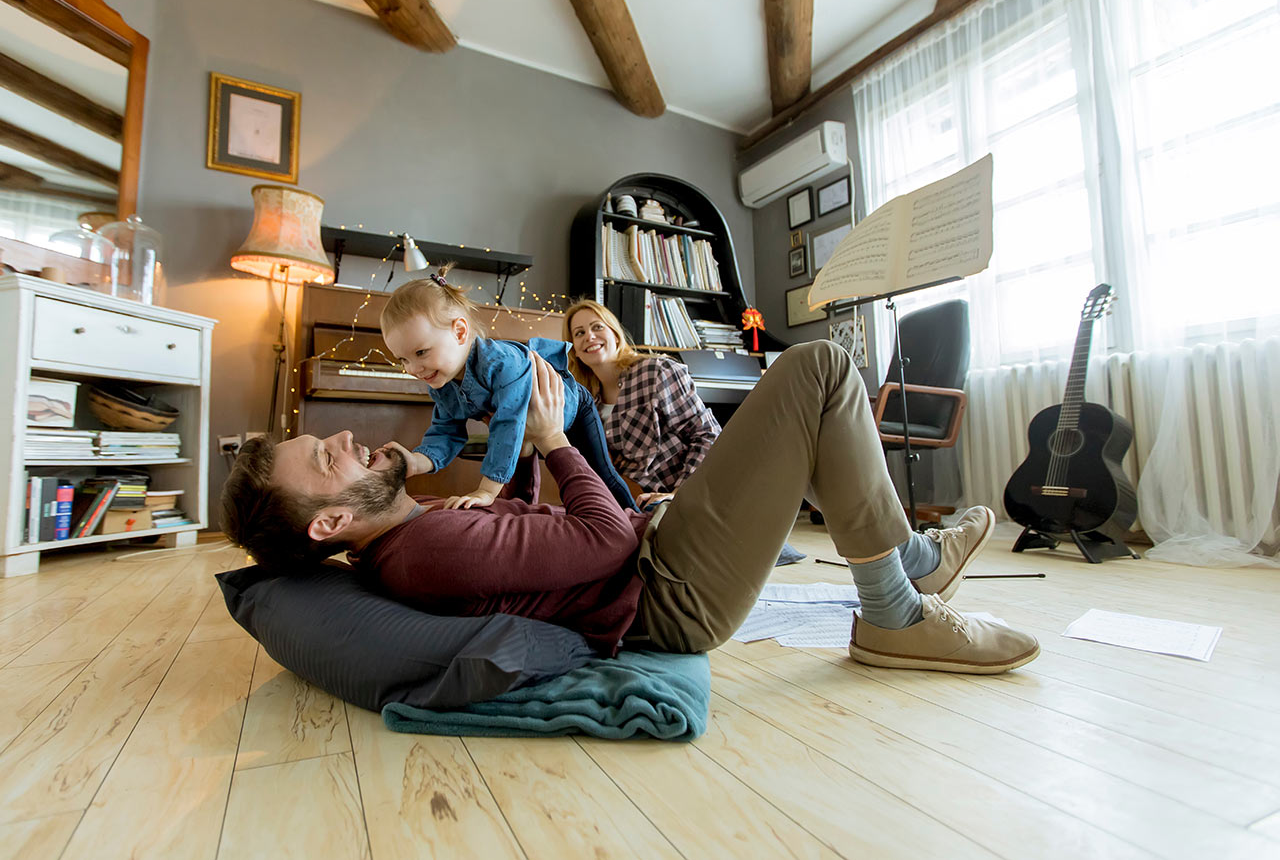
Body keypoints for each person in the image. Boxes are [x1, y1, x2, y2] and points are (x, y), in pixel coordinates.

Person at [222, 340, 1039, 674]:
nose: (343, 442)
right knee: (820, 368)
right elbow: (605, 544)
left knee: (812, 418)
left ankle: (915, 570)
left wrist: (548, 435)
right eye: (324, 461)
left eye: (324, 438)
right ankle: (897, 611)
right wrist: (552, 444)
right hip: (668, 587)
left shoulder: (414, 531)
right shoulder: (425, 553)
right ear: (329, 525)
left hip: (658, 547)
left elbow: (533, 532)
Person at [378, 271, 635, 511]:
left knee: (602, 474)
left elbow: (508, 423)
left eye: (421, 352)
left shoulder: (499, 362)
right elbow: (444, 432)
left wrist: (486, 490)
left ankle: (636, 520)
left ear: (459, 331)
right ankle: (522, 514)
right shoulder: (443, 386)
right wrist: (414, 462)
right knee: (522, 460)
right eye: (402, 359)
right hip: (527, 426)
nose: (413, 368)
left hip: (574, 408)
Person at [563, 299, 720, 509]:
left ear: (615, 334)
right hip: (628, 503)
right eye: (579, 333)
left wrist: (677, 494)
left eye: (597, 327)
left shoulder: (656, 371)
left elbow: (706, 434)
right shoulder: (587, 402)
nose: (589, 336)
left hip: (676, 496)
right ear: (575, 350)